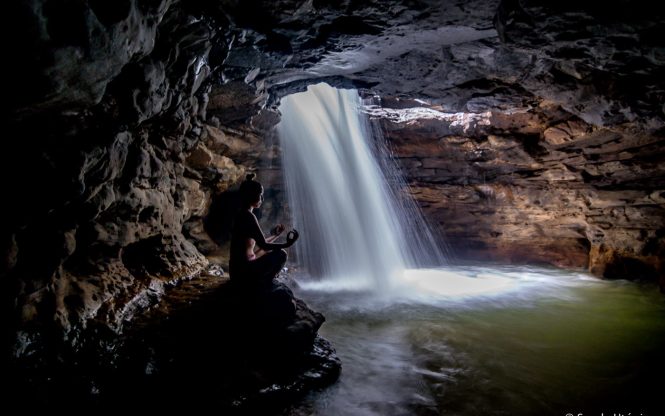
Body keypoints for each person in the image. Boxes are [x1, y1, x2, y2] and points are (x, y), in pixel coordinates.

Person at [229, 173, 299, 288]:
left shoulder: (242, 214)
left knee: (267, 251)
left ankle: (263, 281)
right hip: (243, 274)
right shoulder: (248, 217)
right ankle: (265, 283)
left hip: (238, 271)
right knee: (281, 254)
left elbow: (262, 246)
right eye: (260, 195)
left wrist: (275, 235)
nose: (262, 199)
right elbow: (265, 245)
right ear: (250, 195)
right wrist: (287, 244)